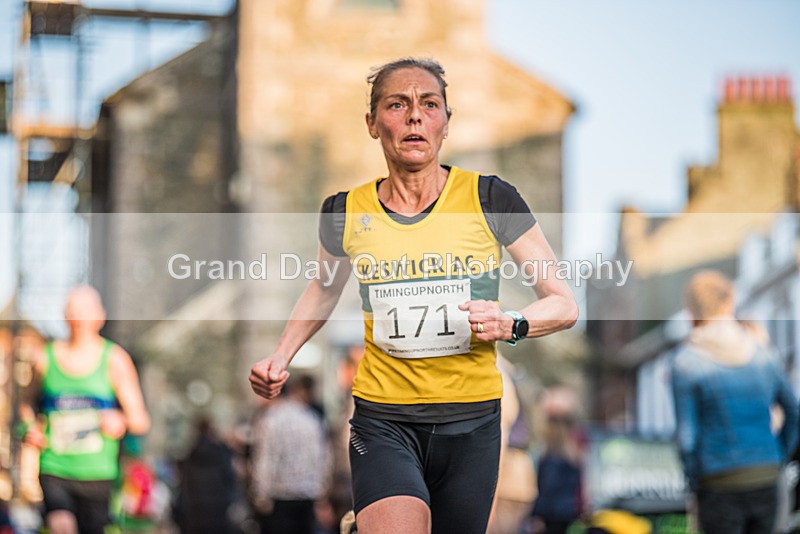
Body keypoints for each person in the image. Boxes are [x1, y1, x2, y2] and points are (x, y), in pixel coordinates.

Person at [249, 57, 578, 534]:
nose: (415, 116)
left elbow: (562, 302)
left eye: (429, 104)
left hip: (472, 421)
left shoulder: (490, 198)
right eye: (397, 104)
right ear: (372, 123)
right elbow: (323, 288)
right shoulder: (344, 211)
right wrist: (280, 357)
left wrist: (511, 323)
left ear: (446, 121)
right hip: (383, 418)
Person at [671, 270, 799, 534]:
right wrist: (778, 456)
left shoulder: (686, 362)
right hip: (766, 474)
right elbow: (794, 412)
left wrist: (695, 482)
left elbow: (687, 438)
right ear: (730, 301)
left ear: (690, 310)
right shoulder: (763, 355)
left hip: (717, 482)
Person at [19, 285, 151, 534]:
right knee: (62, 526)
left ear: (100, 316)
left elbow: (140, 420)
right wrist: (30, 427)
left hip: (98, 473)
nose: (79, 317)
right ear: (65, 315)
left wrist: (120, 420)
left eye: (85, 310)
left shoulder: (114, 360)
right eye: (73, 310)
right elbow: (26, 404)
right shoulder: (45, 358)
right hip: (55, 467)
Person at [249, 377, 331, 534]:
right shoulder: (311, 417)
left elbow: (266, 459)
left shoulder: (270, 420)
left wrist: (261, 494)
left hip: (279, 498)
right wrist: (321, 494)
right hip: (308, 496)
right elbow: (322, 457)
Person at [524, 387, 585, 534]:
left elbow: (548, 488)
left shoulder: (550, 455)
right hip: (569, 511)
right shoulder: (575, 452)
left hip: (551, 514)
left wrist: (536, 514)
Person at [173, 416, 238, 534]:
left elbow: (183, 490)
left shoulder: (190, 457)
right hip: (218, 514)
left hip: (195, 516)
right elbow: (230, 483)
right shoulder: (221, 455)